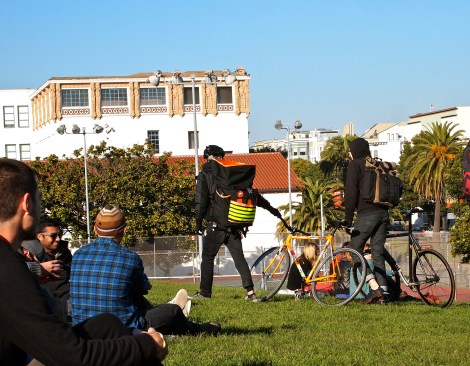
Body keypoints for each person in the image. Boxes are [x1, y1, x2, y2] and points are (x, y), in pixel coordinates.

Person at [0, 158, 167, 366]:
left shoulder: (12, 259)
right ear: (27, 204)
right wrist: (146, 345)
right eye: (39, 200)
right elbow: (74, 357)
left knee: (105, 324)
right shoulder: (8, 268)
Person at [70, 204, 220, 336]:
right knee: (171, 311)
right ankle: (195, 328)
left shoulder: (77, 255)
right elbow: (143, 289)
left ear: (95, 230)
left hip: (83, 327)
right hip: (122, 327)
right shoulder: (129, 258)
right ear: (124, 231)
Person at [194, 145, 283, 302]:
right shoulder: (235, 175)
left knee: (208, 258)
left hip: (216, 224)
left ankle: (205, 293)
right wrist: (273, 210)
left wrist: (198, 222)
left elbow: (201, 201)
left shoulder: (205, 175)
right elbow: (255, 196)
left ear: (207, 157)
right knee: (239, 258)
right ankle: (250, 293)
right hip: (235, 224)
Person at [344, 137, 390, 304]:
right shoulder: (376, 165)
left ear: (354, 151)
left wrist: (348, 219)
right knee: (378, 253)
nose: (348, 154)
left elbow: (350, 194)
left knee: (354, 250)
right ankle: (383, 295)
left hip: (366, 215)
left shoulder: (355, 165)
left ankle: (374, 287)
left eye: (349, 151)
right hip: (383, 213)